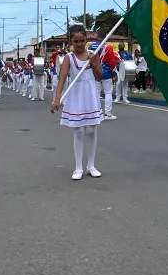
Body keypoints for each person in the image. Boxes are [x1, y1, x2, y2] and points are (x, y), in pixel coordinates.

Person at [51, 25, 104, 181]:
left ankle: (91, 166)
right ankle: (78, 167)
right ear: (71, 41)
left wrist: (93, 63)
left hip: (91, 95)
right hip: (76, 95)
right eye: (76, 41)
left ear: (86, 40)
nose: (80, 44)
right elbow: (62, 78)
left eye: (82, 40)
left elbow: (100, 76)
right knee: (79, 131)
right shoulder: (69, 58)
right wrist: (57, 98)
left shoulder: (93, 55)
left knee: (92, 130)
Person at [90, 30, 120, 120]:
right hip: (106, 72)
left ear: (97, 36)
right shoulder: (109, 47)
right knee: (108, 93)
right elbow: (112, 61)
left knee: (96, 94)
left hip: (95, 72)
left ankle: (97, 113)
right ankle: (108, 114)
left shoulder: (91, 46)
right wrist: (114, 72)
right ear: (106, 36)